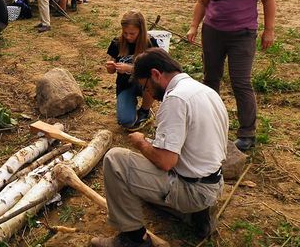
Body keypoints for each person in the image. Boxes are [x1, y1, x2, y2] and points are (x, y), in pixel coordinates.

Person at [92, 48, 229, 247]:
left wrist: (141, 142)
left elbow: (166, 162)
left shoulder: (175, 100)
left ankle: (133, 238)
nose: (148, 93)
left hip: (193, 190)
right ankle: (196, 216)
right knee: (145, 190)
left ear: (155, 74)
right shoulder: (204, 90)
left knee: (115, 159)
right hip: (214, 183)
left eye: (145, 86)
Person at [186, 0, 276, 152]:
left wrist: (269, 29)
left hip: (242, 34)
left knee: (240, 81)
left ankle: (247, 133)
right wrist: (193, 26)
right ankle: (209, 126)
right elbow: (202, 2)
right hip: (213, 33)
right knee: (210, 79)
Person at [106, 11, 157, 131]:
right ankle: (130, 101)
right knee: (126, 121)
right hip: (125, 84)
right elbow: (111, 70)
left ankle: (145, 110)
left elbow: (156, 70)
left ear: (141, 30)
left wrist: (130, 68)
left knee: (152, 78)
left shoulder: (150, 43)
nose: (128, 37)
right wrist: (111, 68)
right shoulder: (117, 42)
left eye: (132, 34)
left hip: (145, 84)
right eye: (125, 33)